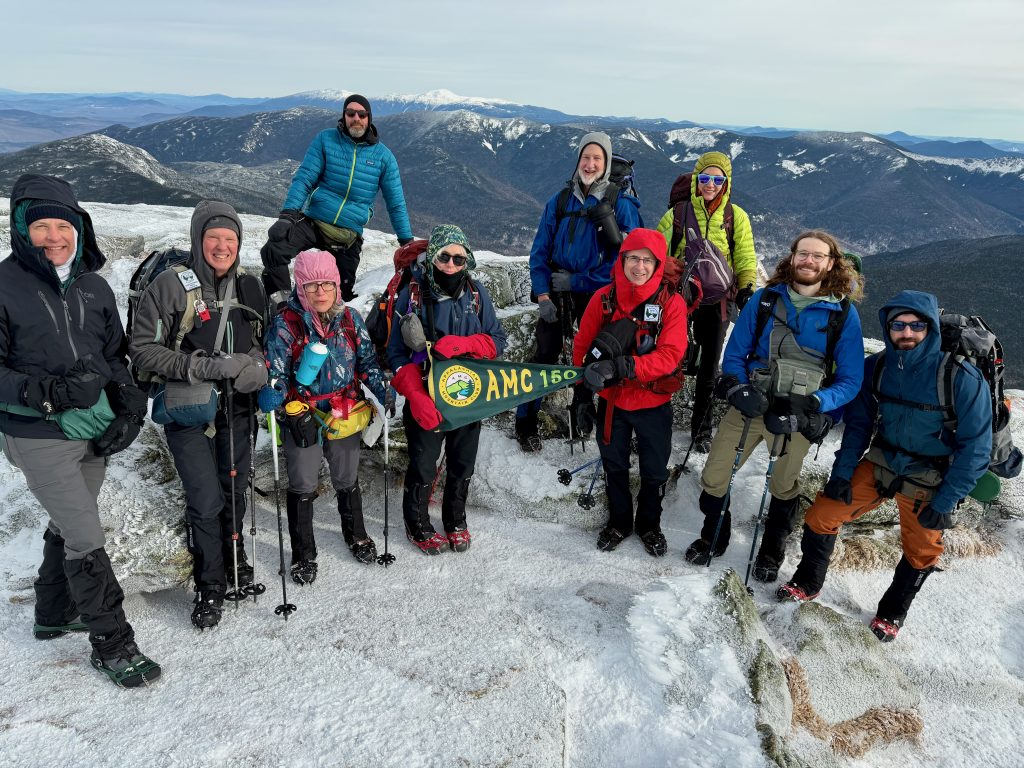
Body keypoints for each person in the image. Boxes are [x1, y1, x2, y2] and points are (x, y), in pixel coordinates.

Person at [0, 174, 160, 687]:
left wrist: (131, 408)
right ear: (22, 231)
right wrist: (49, 392)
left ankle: (52, 613)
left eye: (61, 226)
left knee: (73, 524)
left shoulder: (94, 287)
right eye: (40, 226)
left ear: (78, 229)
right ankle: (113, 643)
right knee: (87, 537)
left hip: (93, 427)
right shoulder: (5, 286)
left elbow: (113, 357)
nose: (53, 237)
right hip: (36, 433)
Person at [777, 290, 992, 642]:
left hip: (931, 473)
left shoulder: (960, 378)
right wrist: (842, 473)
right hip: (883, 461)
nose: (906, 333)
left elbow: (977, 449)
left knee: (923, 548)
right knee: (822, 515)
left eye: (916, 326)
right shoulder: (876, 368)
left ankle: (892, 611)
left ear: (931, 328)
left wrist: (945, 502)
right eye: (898, 325)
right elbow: (859, 426)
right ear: (887, 328)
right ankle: (808, 582)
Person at [684, 230, 864, 582]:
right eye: (803, 253)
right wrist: (738, 388)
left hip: (799, 413)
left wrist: (815, 402)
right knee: (715, 475)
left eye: (818, 256)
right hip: (753, 401)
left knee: (783, 485)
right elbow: (735, 354)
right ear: (792, 256)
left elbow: (850, 381)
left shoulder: (843, 315)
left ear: (831, 264)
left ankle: (772, 549)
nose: (808, 261)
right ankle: (715, 533)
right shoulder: (766, 300)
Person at [130, 200, 268, 630]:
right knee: (205, 500)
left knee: (235, 488)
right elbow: (142, 350)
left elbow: (262, 338)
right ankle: (209, 585)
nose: (222, 246)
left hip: (239, 409)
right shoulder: (171, 287)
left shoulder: (251, 287)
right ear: (198, 240)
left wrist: (257, 369)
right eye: (214, 238)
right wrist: (204, 367)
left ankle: (234, 556)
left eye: (231, 239)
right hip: (189, 408)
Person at [259, 249, 391, 584]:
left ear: (336, 285)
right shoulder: (286, 324)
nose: (320, 291)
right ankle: (304, 553)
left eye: (327, 284)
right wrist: (274, 394)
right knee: (303, 482)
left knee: (347, 477)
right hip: (301, 412)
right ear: (300, 287)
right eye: (312, 285)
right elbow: (275, 372)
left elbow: (367, 362)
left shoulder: (349, 320)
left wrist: (382, 389)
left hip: (343, 409)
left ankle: (356, 534)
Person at [515, 131, 642, 452]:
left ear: (606, 162)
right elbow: (539, 251)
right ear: (578, 161)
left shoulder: (620, 204)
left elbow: (627, 261)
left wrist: (578, 282)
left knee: (593, 356)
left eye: (597, 158)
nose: (590, 164)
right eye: (586, 157)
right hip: (556, 292)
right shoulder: (558, 202)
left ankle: (583, 420)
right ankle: (525, 423)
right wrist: (543, 295)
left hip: (599, 296)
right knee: (543, 356)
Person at [387, 225, 507, 554]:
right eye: (444, 257)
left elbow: (498, 340)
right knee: (424, 463)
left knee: (461, 462)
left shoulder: (477, 294)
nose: (452, 264)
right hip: (427, 395)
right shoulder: (411, 295)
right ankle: (417, 524)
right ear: (433, 257)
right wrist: (415, 396)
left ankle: (455, 518)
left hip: (469, 396)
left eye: (459, 257)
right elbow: (396, 354)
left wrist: (465, 344)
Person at [574, 228, 688, 556]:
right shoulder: (604, 298)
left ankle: (650, 524)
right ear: (622, 260)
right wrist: (581, 393)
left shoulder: (672, 305)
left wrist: (623, 368)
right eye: (633, 258)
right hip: (612, 402)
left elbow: (669, 356)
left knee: (654, 470)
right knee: (615, 465)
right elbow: (583, 345)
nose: (639, 266)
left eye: (647, 260)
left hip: (653, 401)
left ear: (657, 265)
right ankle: (620, 522)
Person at [261, 94, 414, 305]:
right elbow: (304, 179)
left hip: (348, 234)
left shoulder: (383, 157)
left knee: (341, 295)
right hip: (315, 221)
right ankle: (283, 306)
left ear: (369, 118)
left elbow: (395, 203)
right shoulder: (325, 139)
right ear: (344, 116)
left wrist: (406, 243)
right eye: (351, 113)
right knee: (273, 251)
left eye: (362, 114)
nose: (356, 118)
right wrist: (288, 216)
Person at [656, 151, 758, 453]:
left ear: (726, 183)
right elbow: (657, 250)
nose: (710, 184)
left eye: (717, 179)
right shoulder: (677, 213)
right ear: (696, 181)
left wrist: (747, 287)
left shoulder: (735, 216)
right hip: (680, 296)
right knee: (667, 357)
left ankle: (701, 428)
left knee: (710, 365)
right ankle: (654, 418)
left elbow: (745, 256)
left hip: (717, 300)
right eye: (705, 178)